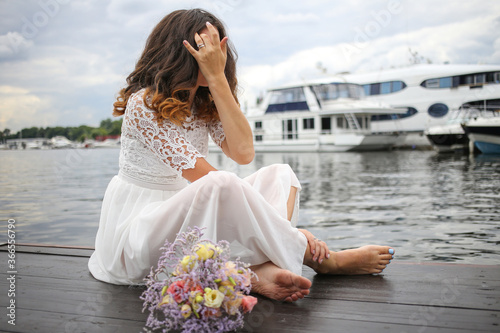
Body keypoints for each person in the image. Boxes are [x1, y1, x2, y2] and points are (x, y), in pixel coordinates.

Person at [88, 8, 395, 302]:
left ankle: (257, 268)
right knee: (220, 183)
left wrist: (218, 80)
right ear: (182, 53)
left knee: (280, 174)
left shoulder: (203, 101)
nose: (218, 56)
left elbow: (244, 153)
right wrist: (291, 232)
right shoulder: (144, 104)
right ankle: (323, 261)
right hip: (136, 235)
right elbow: (205, 179)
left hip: (187, 217)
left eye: (220, 48)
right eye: (207, 48)